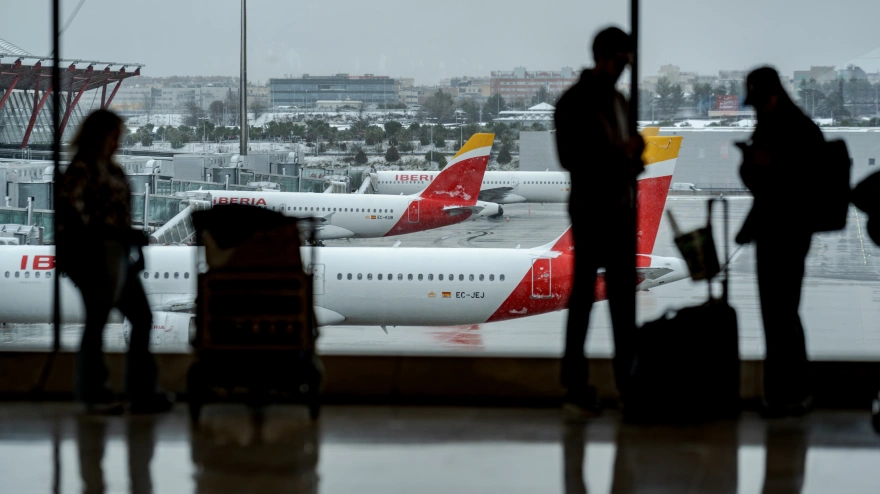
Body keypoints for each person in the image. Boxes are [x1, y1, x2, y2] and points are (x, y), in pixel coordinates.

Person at [554, 26, 645, 413]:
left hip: (619, 208)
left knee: (621, 303)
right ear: (604, 58)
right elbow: (571, 158)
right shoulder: (575, 102)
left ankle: (626, 386)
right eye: (622, 61)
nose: (625, 68)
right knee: (585, 299)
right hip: (593, 209)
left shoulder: (617, 101)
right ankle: (577, 386)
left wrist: (632, 158)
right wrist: (622, 153)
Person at [57, 109, 171, 414]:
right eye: (114, 136)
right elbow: (75, 220)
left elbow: (117, 215)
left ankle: (138, 392)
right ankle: (96, 393)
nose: (118, 143)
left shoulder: (113, 170)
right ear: (99, 136)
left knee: (140, 317)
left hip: (117, 254)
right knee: (100, 322)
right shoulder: (81, 171)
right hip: (93, 256)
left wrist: (132, 239)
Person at [736, 67, 823, 416]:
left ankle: (791, 392)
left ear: (774, 96)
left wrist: (769, 164)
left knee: (781, 314)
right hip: (776, 232)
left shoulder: (795, 130)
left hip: (787, 232)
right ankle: (781, 393)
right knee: (778, 314)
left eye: (762, 101)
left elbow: (804, 183)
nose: (758, 109)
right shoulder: (786, 126)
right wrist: (753, 165)